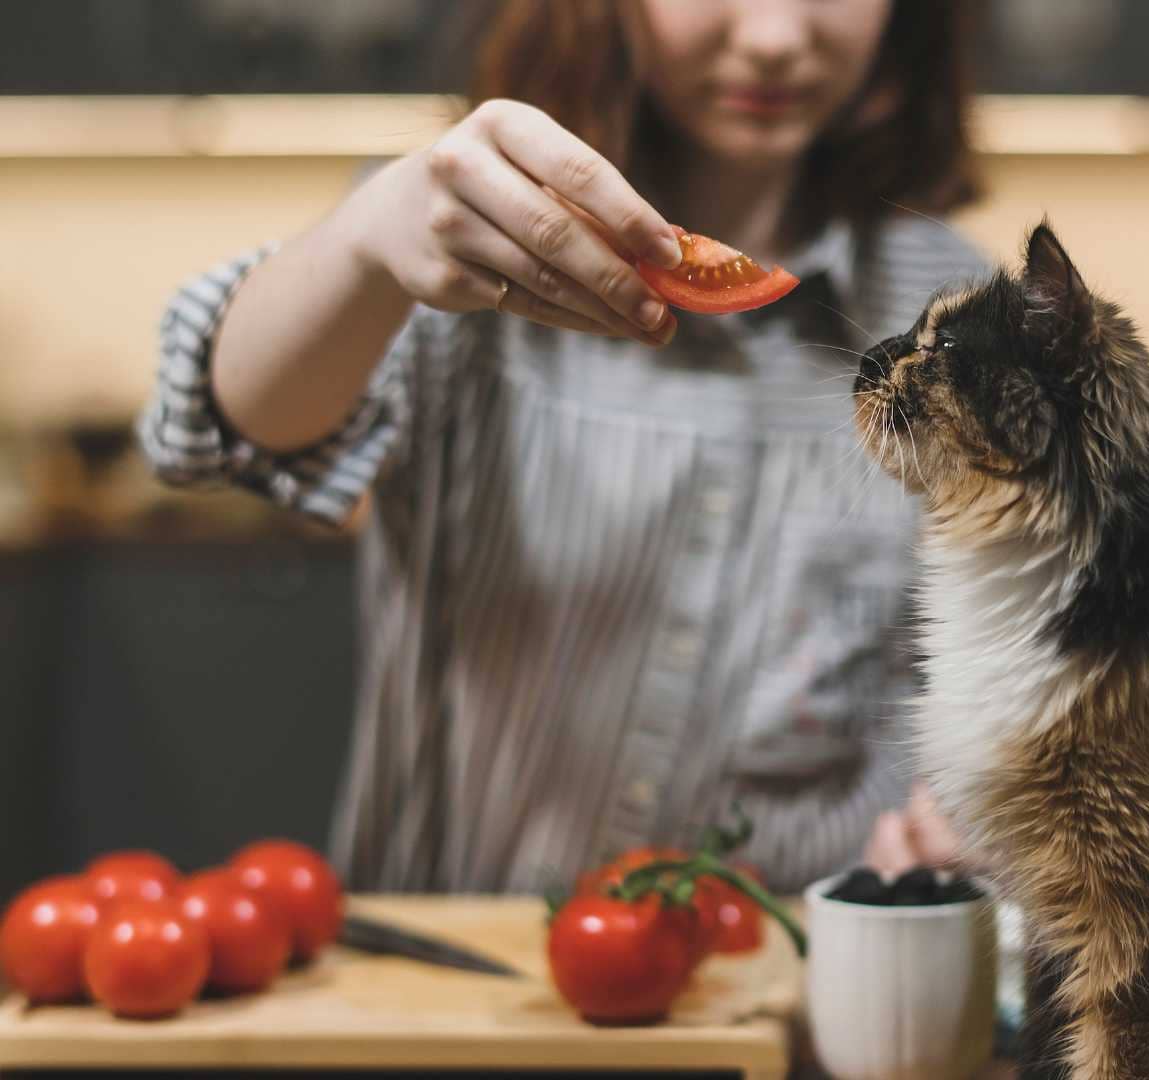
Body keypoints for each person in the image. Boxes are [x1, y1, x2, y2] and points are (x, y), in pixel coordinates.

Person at [139, 0, 976, 894]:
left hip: (802, 995)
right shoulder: (452, 237)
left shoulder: (953, 317)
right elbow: (210, 431)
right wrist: (360, 246)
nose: (773, 38)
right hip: (467, 995)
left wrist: (977, 818)